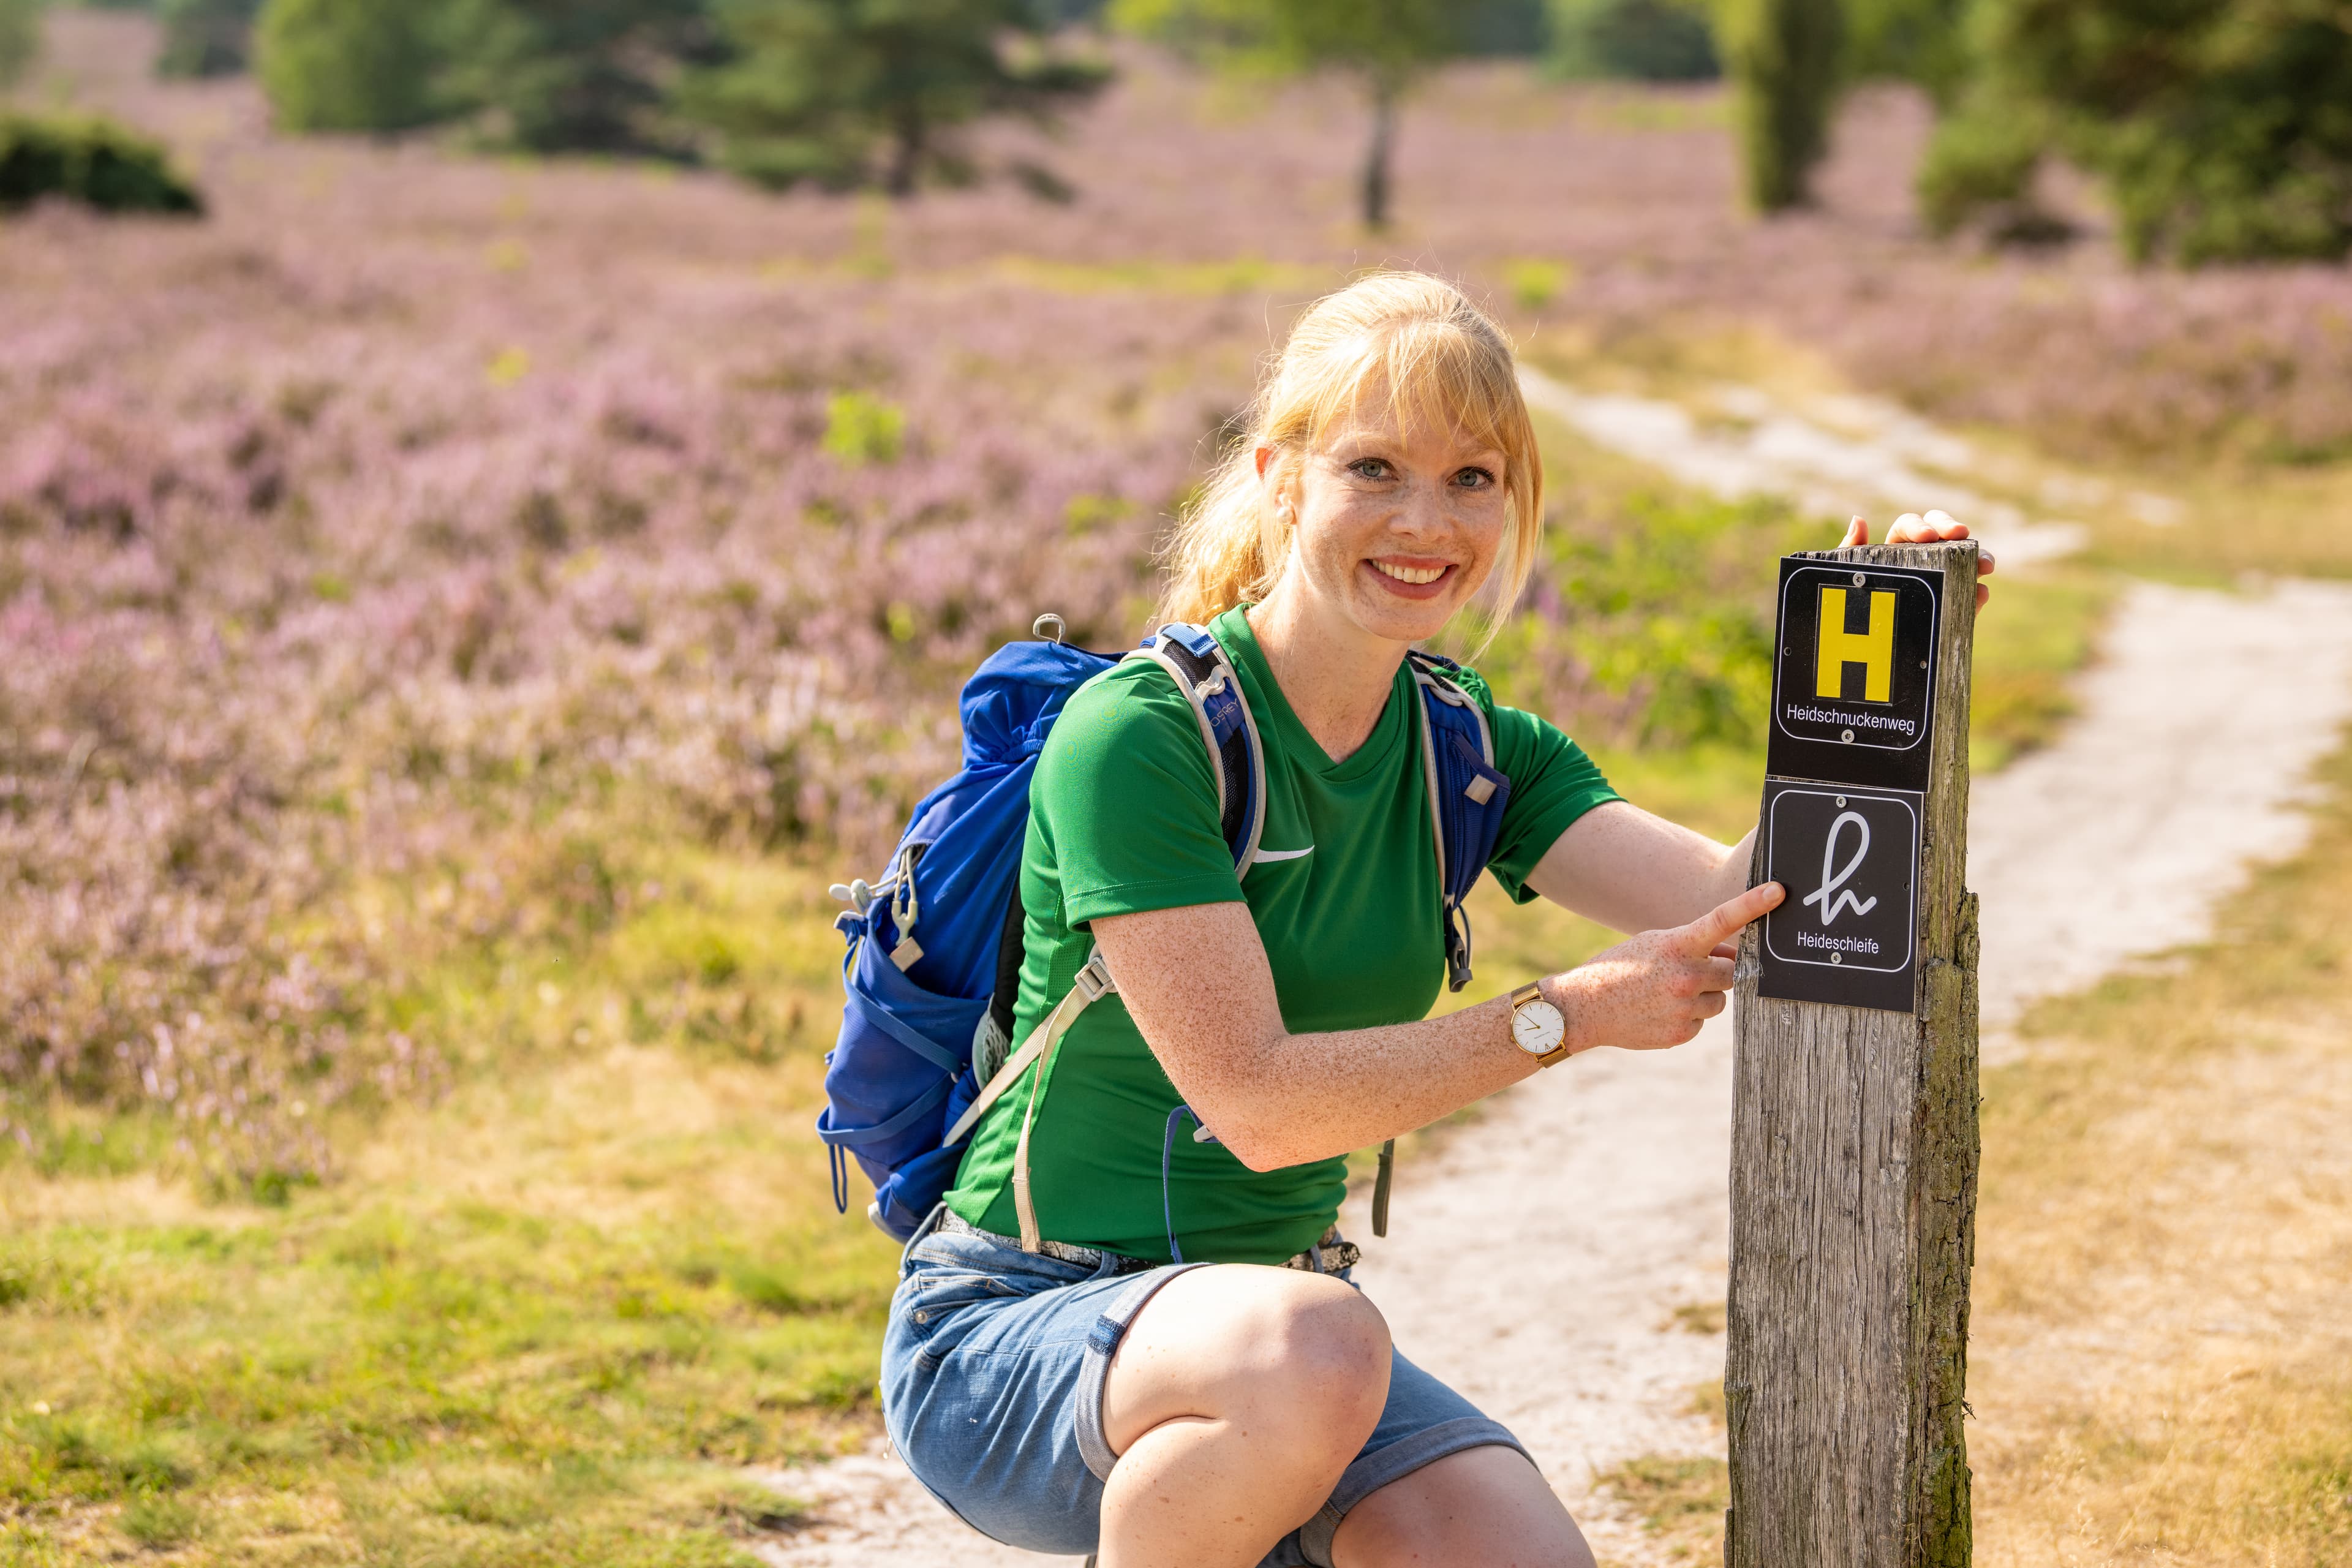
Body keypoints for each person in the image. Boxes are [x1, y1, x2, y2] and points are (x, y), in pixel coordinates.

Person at [880, 272, 1994, 1568]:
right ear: (1279, 478)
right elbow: (1258, 1101)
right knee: (1324, 1341)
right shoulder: (1144, 737)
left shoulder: (1470, 746)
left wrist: (1898, 669)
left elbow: (1741, 902)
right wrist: (1565, 1017)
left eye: (1475, 476)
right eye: (1376, 468)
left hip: (1276, 1348)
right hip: (1019, 1321)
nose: (1429, 521)